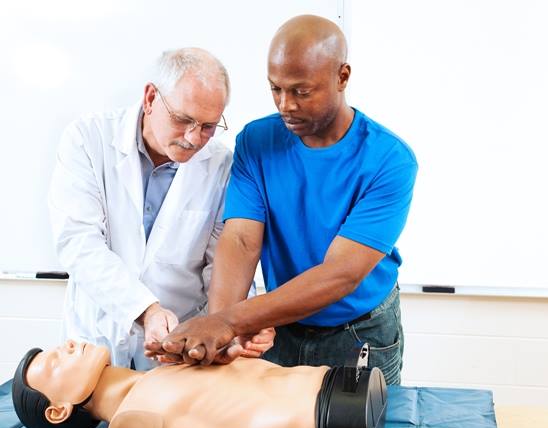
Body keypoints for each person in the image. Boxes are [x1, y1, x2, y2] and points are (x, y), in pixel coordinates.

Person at [149, 15, 418, 385]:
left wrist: (229, 321)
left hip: (359, 333)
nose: (285, 105)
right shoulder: (256, 142)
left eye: (301, 91)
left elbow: (340, 274)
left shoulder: (389, 160)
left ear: (342, 77)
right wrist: (222, 332)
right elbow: (241, 240)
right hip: (277, 326)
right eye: (275, 89)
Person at [48, 48, 273, 369]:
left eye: (209, 126)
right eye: (183, 120)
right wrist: (146, 310)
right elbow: (78, 243)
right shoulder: (88, 139)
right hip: (99, 337)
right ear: (151, 97)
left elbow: (222, 264)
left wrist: (238, 321)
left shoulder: (222, 165)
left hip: (180, 347)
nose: (194, 138)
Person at [12, 340, 386, 428]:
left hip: (338, 388)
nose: (69, 344)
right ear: (58, 411)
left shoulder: (152, 380)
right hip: (331, 423)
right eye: (54, 363)